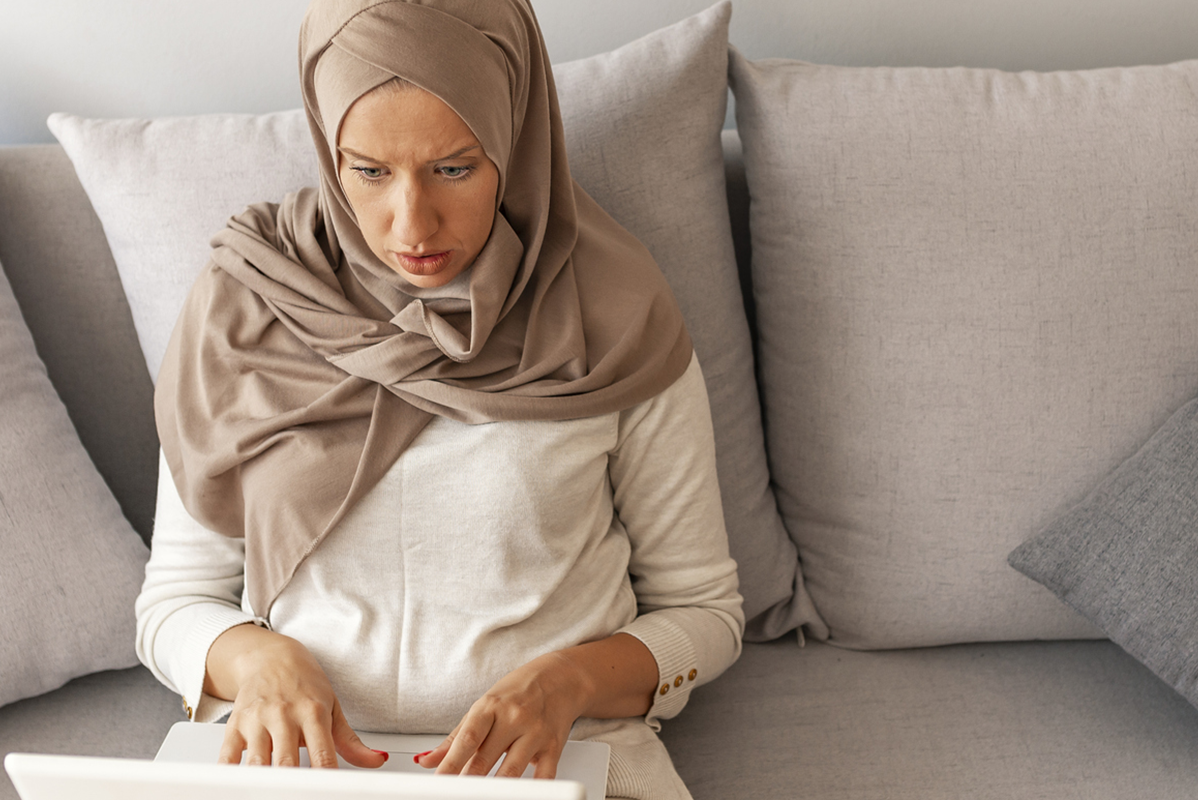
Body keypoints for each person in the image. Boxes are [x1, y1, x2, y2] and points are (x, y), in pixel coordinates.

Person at [132, 1, 744, 798]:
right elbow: (174, 603)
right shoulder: (245, 304)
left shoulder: (616, 320)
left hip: (552, 768)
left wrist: (570, 684)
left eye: (454, 167)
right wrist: (254, 658)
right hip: (293, 773)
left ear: (516, 142)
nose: (411, 224)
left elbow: (705, 611)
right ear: (327, 147)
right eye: (369, 171)